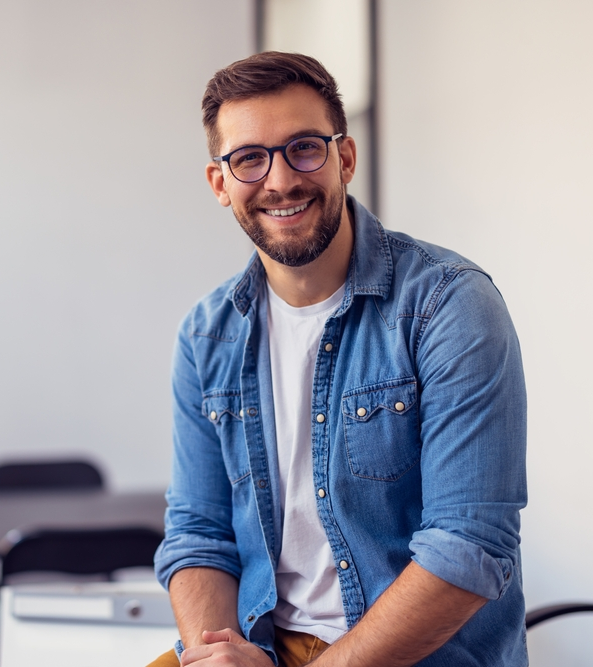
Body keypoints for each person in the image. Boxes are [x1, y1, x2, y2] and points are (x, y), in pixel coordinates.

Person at [151, 52, 527, 667]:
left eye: (304, 147)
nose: (279, 180)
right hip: (264, 645)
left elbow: (469, 546)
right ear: (220, 183)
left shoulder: (448, 305)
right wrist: (215, 655)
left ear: (343, 158)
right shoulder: (206, 335)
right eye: (249, 158)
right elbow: (198, 534)